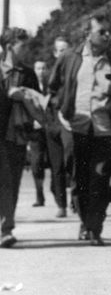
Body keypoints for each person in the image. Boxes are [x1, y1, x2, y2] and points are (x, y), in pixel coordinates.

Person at [47, 12, 111, 246]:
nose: (107, 35)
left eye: (108, 31)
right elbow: (53, 88)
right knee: (79, 180)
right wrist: (60, 113)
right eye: (101, 31)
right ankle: (85, 222)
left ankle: (95, 228)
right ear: (87, 34)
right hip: (76, 129)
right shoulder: (69, 58)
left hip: (105, 131)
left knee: (100, 180)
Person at [0, 28, 41, 247]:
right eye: (22, 46)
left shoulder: (28, 73)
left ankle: (5, 228)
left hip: (18, 134)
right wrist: (8, 96)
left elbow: (37, 102)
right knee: (4, 181)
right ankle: (4, 229)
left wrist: (25, 98)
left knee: (12, 182)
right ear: (9, 47)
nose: (26, 50)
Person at [45, 35, 75, 218]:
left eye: (66, 49)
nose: (63, 53)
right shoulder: (49, 75)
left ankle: (75, 200)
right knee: (56, 166)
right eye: (60, 50)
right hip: (51, 123)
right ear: (55, 53)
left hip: (68, 124)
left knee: (70, 161)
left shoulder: (73, 74)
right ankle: (61, 204)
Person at [28, 59, 51, 207]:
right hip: (35, 132)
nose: (40, 71)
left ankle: (57, 192)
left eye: (43, 68)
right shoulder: (30, 87)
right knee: (36, 164)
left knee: (56, 164)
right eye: (38, 68)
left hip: (50, 129)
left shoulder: (51, 87)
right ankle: (39, 194)